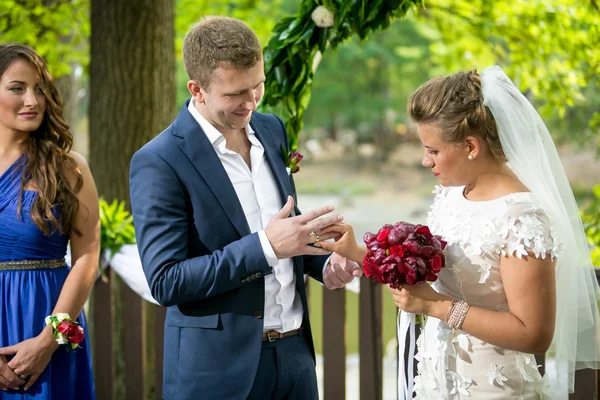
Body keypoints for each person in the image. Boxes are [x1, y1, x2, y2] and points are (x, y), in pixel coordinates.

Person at [317, 66, 600, 399]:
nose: (425, 161)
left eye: (433, 151)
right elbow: (427, 280)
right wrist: (356, 251)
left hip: (494, 389)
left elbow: (534, 334)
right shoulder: (453, 194)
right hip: (434, 382)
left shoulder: (521, 216)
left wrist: (437, 308)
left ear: (470, 146)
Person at [129, 16, 361, 400]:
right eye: (236, 93)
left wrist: (324, 264)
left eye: (259, 85)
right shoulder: (159, 161)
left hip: (295, 358)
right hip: (217, 373)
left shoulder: (271, 129)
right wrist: (265, 246)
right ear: (197, 90)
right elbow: (166, 281)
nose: (252, 102)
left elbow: (286, 233)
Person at [0, 43, 99, 399]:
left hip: (50, 323)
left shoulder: (68, 168)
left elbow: (87, 255)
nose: (32, 100)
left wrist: (48, 340)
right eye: (17, 88)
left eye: (40, 89)